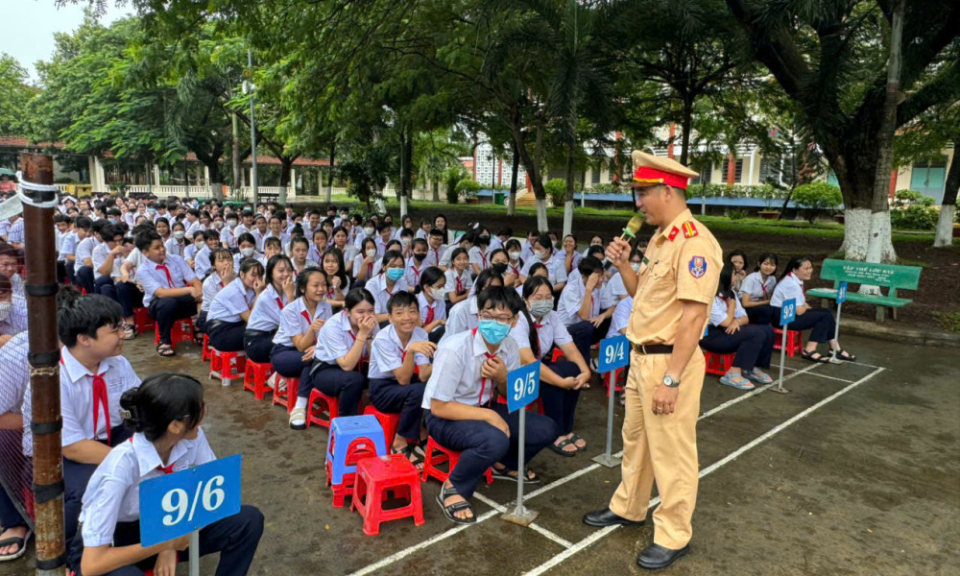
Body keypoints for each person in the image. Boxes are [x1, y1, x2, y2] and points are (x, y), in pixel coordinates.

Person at [583, 150, 722, 571]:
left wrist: (673, 379)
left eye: (642, 193)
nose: (638, 204)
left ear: (666, 190)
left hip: (669, 363)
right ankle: (629, 507)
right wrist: (624, 264)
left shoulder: (695, 242)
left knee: (673, 452)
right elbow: (641, 291)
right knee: (637, 442)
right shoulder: (661, 240)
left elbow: (695, 315)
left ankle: (674, 533)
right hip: (641, 358)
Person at [70, 372, 264, 576]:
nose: (205, 413)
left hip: (164, 524)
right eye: (200, 408)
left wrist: (170, 543)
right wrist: (163, 545)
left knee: (247, 520)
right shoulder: (120, 466)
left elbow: (212, 494)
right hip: (112, 542)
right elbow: (92, 564)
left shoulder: (192, 438)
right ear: (175, 425)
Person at [423, 287, 557, 524]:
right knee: (495, 438)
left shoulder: (510, 347)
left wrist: (503, 377)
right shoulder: (455, 348)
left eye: (502, 318)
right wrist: (489, 416)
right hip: (446, 416)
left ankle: (504, 464)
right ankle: (454, 487)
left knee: (546, 429)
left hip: (483, 408)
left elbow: (510, 396)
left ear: (514, 321)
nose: (494, 323)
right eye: (487, 316)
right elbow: (439, 407)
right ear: (479, 316)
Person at [22, 294, 141, 546]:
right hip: (61, 454)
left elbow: (140, 404)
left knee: (164, 448)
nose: (123, 333)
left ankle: (137, 533)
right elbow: (73, 446)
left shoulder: (117, 363)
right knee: (91, 488)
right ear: (84, 339)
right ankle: (72, 552)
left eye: (121, 326)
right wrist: (132, 460)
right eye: (115, 329)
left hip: (109, 436)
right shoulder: (53, 378)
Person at [513, 276, 592, 456]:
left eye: (548, 297)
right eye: (538, 297)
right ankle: (555, 433)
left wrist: (585, 372)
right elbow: (528, 361)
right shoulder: (519, 320)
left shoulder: (552, 316)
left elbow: (570, 349)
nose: (544, 302)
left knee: (572, 369)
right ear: (526, 299)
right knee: (555, 379)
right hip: (518, 374)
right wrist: (559, 381)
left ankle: (566, 428)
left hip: (538, 366)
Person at [292, 288, 379, 429]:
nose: (367, 316)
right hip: (326, 370)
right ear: (347, 312)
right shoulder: (333, 325)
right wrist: (362, 335)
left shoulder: (371, 324)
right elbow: (346, 365)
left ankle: (375, 420)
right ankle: (346, 427)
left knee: (385, 373)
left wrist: (369, 338)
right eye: (360, 312)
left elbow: (376, 359)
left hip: (357, 365)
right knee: (353, 380)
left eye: (370, 311)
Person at [368, 291, 436, 461]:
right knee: (418, 391)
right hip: (382, 389)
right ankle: (398, 442)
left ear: (419, 315)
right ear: (390, 318)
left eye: (412, 311)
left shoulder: (420, 334)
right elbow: (403, 380)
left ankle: (422, 432)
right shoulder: (383, 339)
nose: (407, 317)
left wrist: (440, 362)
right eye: (399, 313)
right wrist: (411, 351)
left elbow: (423, 375)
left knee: (433, 386)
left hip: (403, 385)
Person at [273, 268, 332, 429]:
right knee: (311, 359)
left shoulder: (325, 307)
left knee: (319, 357)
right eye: (315, 285)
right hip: (284, 352)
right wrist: (312, 329)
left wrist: (318, 347)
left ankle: (317, 399)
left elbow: (327, 338)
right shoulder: (290, 310)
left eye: (324, 285)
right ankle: (300, 406)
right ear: (302, 288)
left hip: (311, 350)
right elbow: (300, 345)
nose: (321, 289)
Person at [700, 264, 775, 390]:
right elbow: (725, 322)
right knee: (756, 334)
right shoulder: (710, 296)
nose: (737, 277)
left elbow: (745, 318)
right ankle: (732, 373)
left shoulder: (731, 293)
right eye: (735, 274)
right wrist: (732, 307)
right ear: (724, 276)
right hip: (712, 336)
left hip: (729, 330)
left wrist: (737, 322)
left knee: (767, 330)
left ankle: (751, 367)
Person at [771, 256, 856, 363]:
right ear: (795, 270)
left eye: (810, 268)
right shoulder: (791, 284)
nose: (809, 271)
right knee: (823, 316)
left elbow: (802, 305)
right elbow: (799, 310)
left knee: (827, 312)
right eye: (806, 268)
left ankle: (835, 348)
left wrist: (808, 308)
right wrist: (807, 308)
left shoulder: (794, 279)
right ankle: (809, 350)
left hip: (791, 314)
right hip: (783, 318)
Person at [136, 230, 202, 358]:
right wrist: (189, 290)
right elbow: (161, 293)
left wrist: (199, 292)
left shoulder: (176, 260)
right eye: (157, 248)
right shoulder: (143, 270)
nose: (162, 249)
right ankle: (164, 341)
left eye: (162, 245)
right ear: (145, 252)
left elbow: (194, 280)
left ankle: (200, 328)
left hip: (181, 302)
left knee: (206, 295)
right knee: (168, 302)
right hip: (159, 307)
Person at [556, 256, 614, 363]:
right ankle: (584, 363)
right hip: (568, 331)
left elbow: (612, 307)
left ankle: (599, 357)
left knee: (607, 318)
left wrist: (603, 316)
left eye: (602, 275)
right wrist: (588, 290)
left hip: (589, 327)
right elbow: (584, 316)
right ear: (584, 277)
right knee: (586, 326)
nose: (601, 279)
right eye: (596, 277)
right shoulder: (571, 289)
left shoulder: (600, 286)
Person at [206, 259, 265, 355]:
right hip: (221, 333)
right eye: (253, 275)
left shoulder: (250, 289)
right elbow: (251, 319)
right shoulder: (234, 291)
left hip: (236, 327)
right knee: (261, 333)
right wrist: (259, 293)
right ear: (242, 274)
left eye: (260, 275)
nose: (257, 279)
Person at [445, 269, 504, 338]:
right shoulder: (460, 311)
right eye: (488, 288)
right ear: (478, 288)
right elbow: (454, 342)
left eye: (497, 289)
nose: (493, 292)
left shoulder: (501, 308)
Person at [197, 249, 234, 335]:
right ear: (213, 265)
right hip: (212, 315)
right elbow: (221, 307)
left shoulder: (237, 276)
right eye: (221, 261)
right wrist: (227, 283)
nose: (227, 263)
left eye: (229, 259)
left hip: (234, 312)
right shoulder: (209, 283)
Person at [366, 250, 408, 324]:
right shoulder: (372, 285)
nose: (397, 269)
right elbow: (374, 316)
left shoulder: (403, 283)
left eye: (401, 266)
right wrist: (395, 315)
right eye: (393, 266)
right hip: (377, 324)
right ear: (384, 267)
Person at [739, 252, 778, 325]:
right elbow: (745, 303)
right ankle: (762, 329)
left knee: (774, 309)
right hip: (745, 309)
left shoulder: (772, 279)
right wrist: (765, 302)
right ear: (759, 264)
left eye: (772, 265)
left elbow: (769, 297)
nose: (768, 267)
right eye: (766, 264)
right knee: (766, 310)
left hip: (760, 307)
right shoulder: (751, 279)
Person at [416, 266, 447, 344]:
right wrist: (437, 322)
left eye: (443, 286)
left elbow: (442, 326)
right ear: (426, 287)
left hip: (433, 337)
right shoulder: (414, 303)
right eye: (439, 287)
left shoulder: (441, 302)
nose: (442, 290)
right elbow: (418, 334)